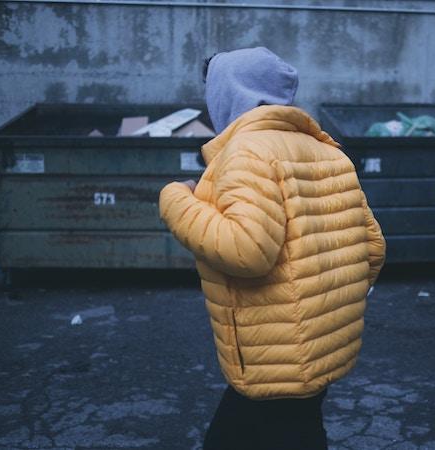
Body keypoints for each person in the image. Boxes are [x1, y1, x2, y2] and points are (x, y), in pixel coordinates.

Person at [158, 47, 386, 450]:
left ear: (229, 95)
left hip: (275, 359)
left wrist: (178, 201)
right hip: (320, 349)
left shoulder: (246, 153)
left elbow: (246, 251)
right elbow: (373, 248)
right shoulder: (327, 151)